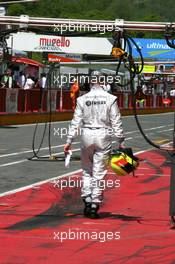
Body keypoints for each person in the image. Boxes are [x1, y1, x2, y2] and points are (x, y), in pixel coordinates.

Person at [64, 70, 125, 219]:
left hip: (86, 135)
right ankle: (94, 204)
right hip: (103, 135)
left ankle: (87, 198)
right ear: (103, 82)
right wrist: (121, 141)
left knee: (86, 170)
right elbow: (116, 121)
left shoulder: (82, 99)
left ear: (91, 82)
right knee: (99, 172)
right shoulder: (110, 98)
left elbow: (75, 122)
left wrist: (69, 141)